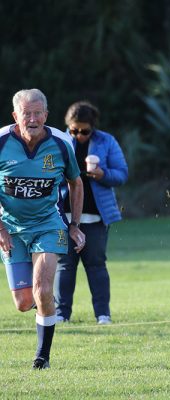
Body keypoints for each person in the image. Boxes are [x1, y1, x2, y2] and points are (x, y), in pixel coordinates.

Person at [0, 89, 84, 369]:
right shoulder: (1, 142)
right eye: (27, 114)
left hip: (49, 224)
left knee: (42, 287)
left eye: (38, 113)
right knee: (24, 302)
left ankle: (42, 357)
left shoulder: (61, 143)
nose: (33, 119)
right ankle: (44, 303)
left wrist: (74, 225)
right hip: (11, 228)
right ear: (16, 116)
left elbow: (76, 182)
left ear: (46, 115)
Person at [54, 101, 128, 325]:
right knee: (65, 265)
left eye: (84, 131)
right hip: (64, 216)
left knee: (96, 265)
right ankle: (61, 314)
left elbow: (122, 174)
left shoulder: (107, 141)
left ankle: (103, 315)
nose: (78, 136)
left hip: (96, 217)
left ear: (93, 127)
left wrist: (102, 174)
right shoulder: (59, 142)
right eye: (74, 130)